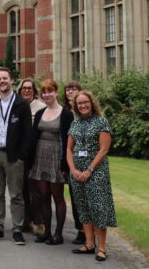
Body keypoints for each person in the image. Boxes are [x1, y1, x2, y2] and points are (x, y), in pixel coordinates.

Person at [0, 67, 32, 245]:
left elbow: (27, 133)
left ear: (11, 80)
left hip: (14, 157)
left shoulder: (21, 104)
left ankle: (17, 229)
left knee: (16, 195)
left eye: (4, 78)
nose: (1, 81)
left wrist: (22, 156)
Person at [67, 91, 117, 262]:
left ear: (91, 102)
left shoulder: (101, 121)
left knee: (97, 208)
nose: (82, 106)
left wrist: (89, 170)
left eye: (85, 102)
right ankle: (89, 244)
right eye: (79, 103)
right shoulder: (75, 123)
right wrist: (73, 170)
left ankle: (102, 248)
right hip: (77, 173)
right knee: (83, 207)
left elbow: (104, 149)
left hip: (96, 173)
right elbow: (69, 149)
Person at [29, 79, 74, 245]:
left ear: (56, 92)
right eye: (44, 92)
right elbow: (34, 138)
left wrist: (65, 164)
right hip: (40, 157)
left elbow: (69, 140)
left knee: (58, 197)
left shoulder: (66, 114)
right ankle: (47, 232)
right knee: (43, 196)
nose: (47, 95)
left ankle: (58, 234)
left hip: (57, 157)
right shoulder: (40, 113)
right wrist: (31, 160)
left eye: (50, 91)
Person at [18, 78, 46, 236]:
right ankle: (25, 220)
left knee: (35, 189)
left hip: (36, 153)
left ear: (34, 91)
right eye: (24, 88)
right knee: (21, 189)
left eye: (29, 88)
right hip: (20, 153)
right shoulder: (17, 106)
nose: (26, 90)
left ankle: (39, 222)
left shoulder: (41, 107)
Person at [64, 80, 86, 245]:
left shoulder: (86, 112)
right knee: (75, 196)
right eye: (67, 89)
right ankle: (81, 230)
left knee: (88, 197)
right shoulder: (64, 112)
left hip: (87, 159)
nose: (70, 91)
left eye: (74, 88)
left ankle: (90, 230)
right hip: (71, 158)